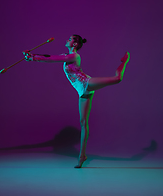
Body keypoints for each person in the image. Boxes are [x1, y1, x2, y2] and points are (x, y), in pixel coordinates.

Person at [23, 34, 130, 168]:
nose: (67, 39)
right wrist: (32, 57)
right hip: (81, 91)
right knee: (83, 122)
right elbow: (49, 58)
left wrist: (33, 57)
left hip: (87, 83)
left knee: (117, 79)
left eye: (70, 39)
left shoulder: (74, 56)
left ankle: (124, 61)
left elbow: (53, 59)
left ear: (74, 44)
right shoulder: (66, 55)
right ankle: (82, 155)